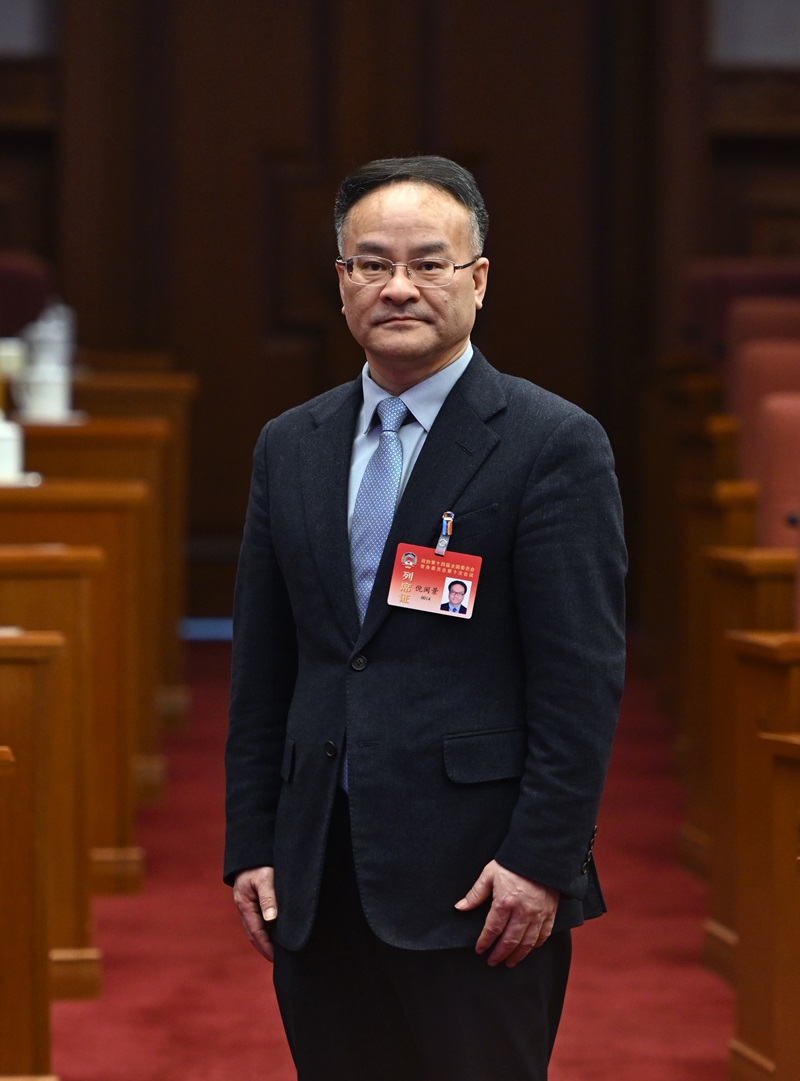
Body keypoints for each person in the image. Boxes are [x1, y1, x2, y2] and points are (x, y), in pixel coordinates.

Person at [225, 155, 626, 1081]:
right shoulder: (290, 445)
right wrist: (251, 841)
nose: (398, 287)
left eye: (428, 263)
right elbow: (265, 669)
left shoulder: (552, 443)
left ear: (477, 280)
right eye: (371, 264)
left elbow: (581, 679)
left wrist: (542, 861)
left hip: (479, 881)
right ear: (342, 282)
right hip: (318, 872)